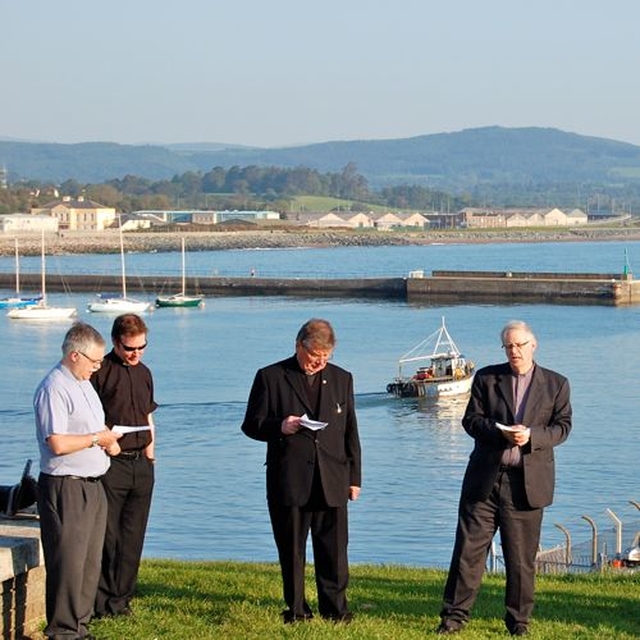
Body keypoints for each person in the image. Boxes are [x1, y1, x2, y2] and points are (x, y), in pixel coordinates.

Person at [437, 320, 572, 636]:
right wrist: (500, 434)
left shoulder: (557, 384)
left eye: (519, 345)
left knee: (521, 560)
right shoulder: (486, 377)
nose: (514, 351)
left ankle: (518, 622)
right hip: (484, 480)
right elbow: (471, 421)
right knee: (468, 553)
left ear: (533, 345)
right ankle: (453, 618)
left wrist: (532, 436)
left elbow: (562, 427)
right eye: (508, 346)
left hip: (526, 485)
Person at [241, 318, 362, 624]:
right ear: (299, 346)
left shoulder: (342, 378)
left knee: (334, 551)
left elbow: (350, 432)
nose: (318, 364)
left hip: (332, 477)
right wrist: (280, 426)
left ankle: (335, 610)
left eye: (325, 359)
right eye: (313, 357)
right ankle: (296, 610)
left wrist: (355, 477)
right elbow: (251, 425)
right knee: (292, 550)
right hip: (290, 479)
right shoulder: (271, 377)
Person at [34, 321, 122, 640]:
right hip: (66, 485)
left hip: (93, 482)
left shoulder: (84, 384)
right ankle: (63, 631)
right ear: (75, 355)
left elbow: (93, 430)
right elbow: (57, 442)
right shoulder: (54, 387)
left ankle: (80, 626)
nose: (98, 368)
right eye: (94, 362)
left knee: (88, 564)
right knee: (68, 563)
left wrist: (108, 441)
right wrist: (95, 437)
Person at [90, 314, 158, 618]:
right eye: (131, 348)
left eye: (142, 347)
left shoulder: (145, 372)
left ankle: (123, 599)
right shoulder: (99, 372)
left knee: (134, 535)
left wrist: (152, 448)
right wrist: (108, 443)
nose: (136, 353)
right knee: (109, 535)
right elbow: (89, 419)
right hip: (111, 462)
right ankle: (103, 602)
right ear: (117, 343)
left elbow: (147, 413)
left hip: (141, 462)